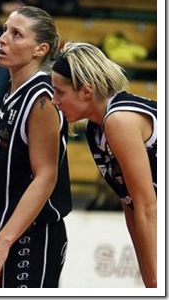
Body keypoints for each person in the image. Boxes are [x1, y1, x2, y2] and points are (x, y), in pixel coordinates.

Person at [51, 42, 157, 288]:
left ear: (86, 91)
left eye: (60, 92)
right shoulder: (95, 129)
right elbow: (130, 203)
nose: (55, 101)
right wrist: (149, 276)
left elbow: (148, 206)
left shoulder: (119, 120)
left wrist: (155, 285)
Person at [0, 6, 72, 288]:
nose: (2, 38)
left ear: (40, 49)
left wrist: (3, 241)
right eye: (5, 29)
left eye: (16, 34)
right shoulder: (12, 92)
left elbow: (46, 176)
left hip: (32, 237)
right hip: (6, 232)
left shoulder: (41, 96)